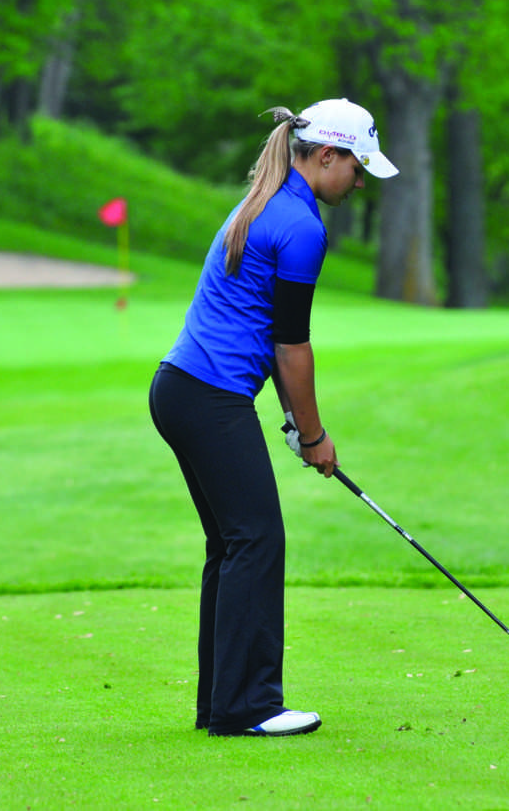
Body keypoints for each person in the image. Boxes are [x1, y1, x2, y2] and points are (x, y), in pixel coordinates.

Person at [148, 99, 398, 737]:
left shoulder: (267, 200)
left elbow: (275, 341)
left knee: (232, 544)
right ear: (326, 156)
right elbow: (292, 345)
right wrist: (312, 435)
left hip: (181, 390)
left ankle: (221, 705)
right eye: (358, 166)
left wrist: (293, 422)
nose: (362, 181)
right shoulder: (302, 226)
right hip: (209, 396)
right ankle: (248, 706)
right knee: (257, 540)